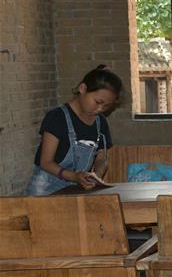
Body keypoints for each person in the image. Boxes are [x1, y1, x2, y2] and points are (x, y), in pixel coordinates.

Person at [27, 65, 122, 196]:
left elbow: (101, 159)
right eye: (98, 102)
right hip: (46, 188)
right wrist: (74, 177)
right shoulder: (57, 117)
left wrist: (95, 176)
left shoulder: (101, 123)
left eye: (106, 106)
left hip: (77, 188)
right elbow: (46, 162)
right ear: (82, 88)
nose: (100, 109)